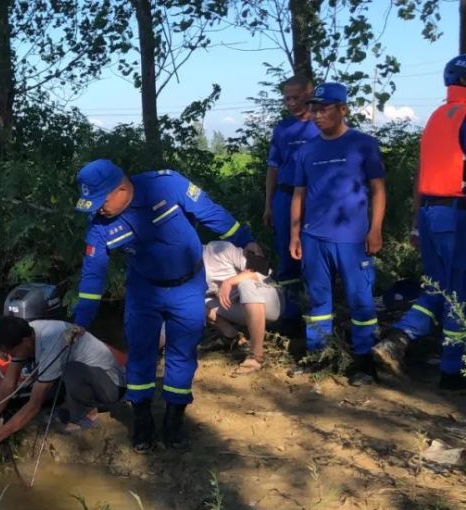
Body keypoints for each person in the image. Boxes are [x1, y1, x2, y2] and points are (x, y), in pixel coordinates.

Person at [71, 159, 256, 452]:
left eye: (100, 201)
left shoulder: (166, 185)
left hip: (187, 286)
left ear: (121, 188)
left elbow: (209, 212)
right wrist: (81, 320)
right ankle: (142, 421)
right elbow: (94, 275)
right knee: (141, 354)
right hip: (144, 293)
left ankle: (174, 422)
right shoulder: (99, 226)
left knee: (182, 354)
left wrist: (245, 240)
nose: (97, 209)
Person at [372, 56, 466, 390]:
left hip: (430, 214)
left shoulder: (438, 117)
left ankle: (395, 340)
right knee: (459, 293)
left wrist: (415, 223)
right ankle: (452, 372)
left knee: (437, 287)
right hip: (457, 214)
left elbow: (421, 173)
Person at [289, 82, 386, 386]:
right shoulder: (307, 150)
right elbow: (299, 194)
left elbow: (378, 189)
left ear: (342, 109)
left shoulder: (363, 144)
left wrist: (375, 229)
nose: (317, 115)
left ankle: (364, 362)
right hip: (313, 238)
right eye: (314, 109)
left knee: (361, 302)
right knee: (318, 301)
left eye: (324, 109)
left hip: (353, 240)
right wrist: (295, 235)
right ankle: (319, 356)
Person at [0, 316, 125, 449]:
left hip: (110, 386)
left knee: (70, 370)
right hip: (89, 378)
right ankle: (74, 407)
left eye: (12, 353)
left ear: (25, 341)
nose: (10, 357)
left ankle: (87, 415)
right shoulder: (27, 334)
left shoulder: (51, 341)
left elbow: (34, 405)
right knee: (51, 378)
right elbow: (8, 384)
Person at [264, 76, 320, 319]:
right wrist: (268, 204)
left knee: (315, 251)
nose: (291, 102)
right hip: (285, 197)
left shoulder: (321, 124)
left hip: (316, 198)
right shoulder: (283, 128)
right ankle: (290, 311)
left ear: (310, 94)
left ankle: (319, 307)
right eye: (286, 98)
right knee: (287, 252)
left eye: (296, 97)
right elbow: (273, 168)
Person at [202, 241, 282, 374]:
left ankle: (256, 356)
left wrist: (229, 282)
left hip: (271, 301)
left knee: (246, 284)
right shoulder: (182, 272)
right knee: (193, 302)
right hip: (241, 309)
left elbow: (263, 272)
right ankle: (232, 337)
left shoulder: (218, 249)